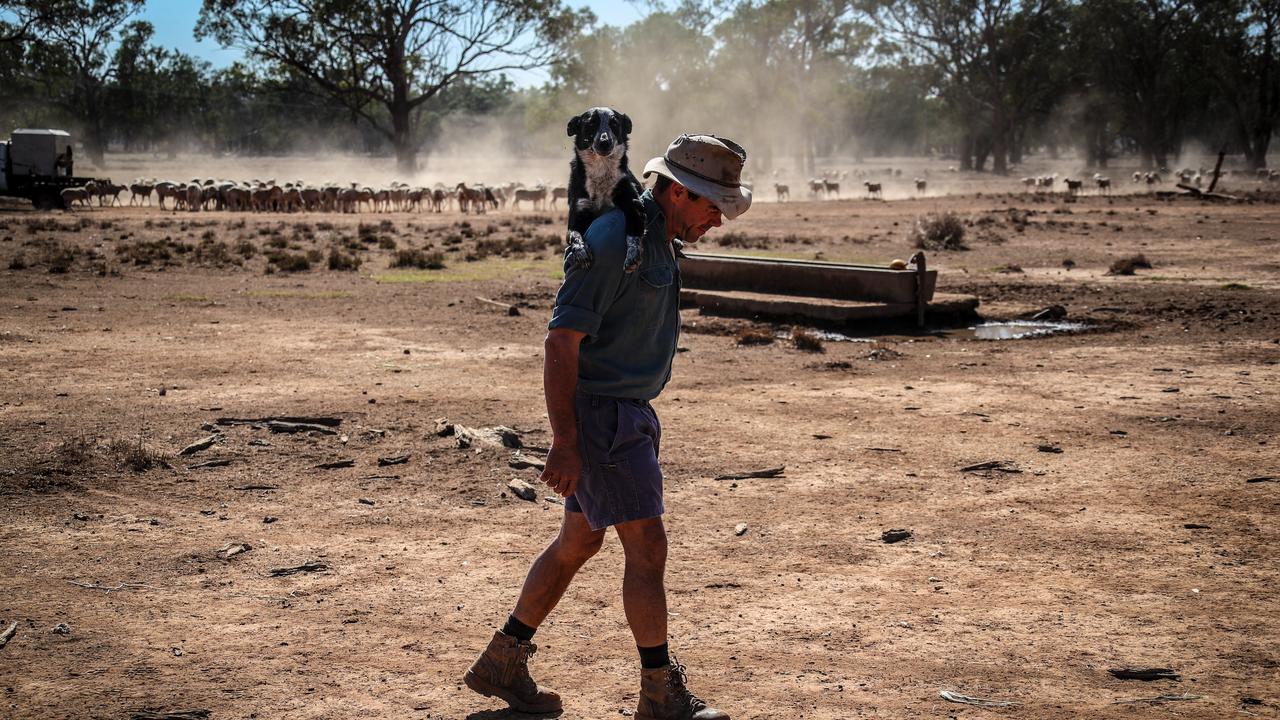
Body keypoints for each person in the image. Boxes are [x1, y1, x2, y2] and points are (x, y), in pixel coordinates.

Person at [464, 134, 752, 719]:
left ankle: (502, 660)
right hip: (604, 420)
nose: (718, 219)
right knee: (647, 548)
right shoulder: (615, 239)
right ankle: (659, 695)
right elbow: (561, 340)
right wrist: (567, 443)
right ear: (676, 190)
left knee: (578, 542)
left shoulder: (660, 239)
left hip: (628, 416)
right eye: (711, 205)